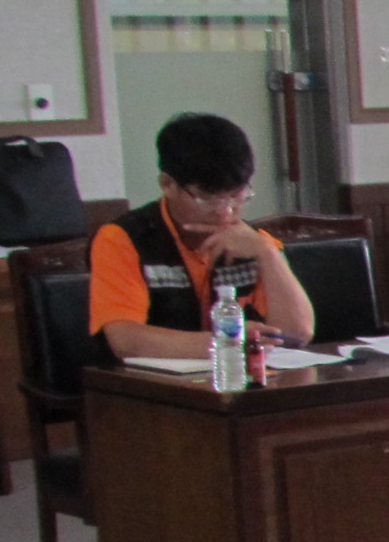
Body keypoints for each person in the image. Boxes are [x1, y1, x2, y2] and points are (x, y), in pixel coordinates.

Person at [87, 113, 316, 363]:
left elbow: (296, 334)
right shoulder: (123, 239)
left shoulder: (254, 243)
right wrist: (228, 342)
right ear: (167, 184)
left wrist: (268, 254)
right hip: (151, 383)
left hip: (243, 378)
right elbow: (125, 340)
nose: (226, 211)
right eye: (207, 198)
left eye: (236, 195)